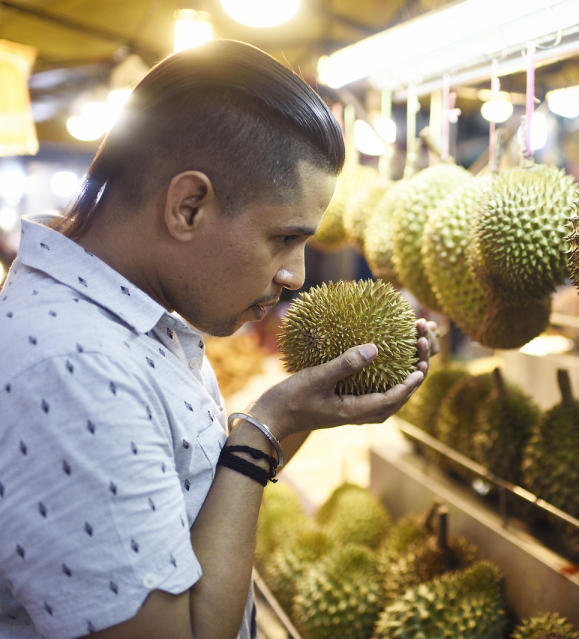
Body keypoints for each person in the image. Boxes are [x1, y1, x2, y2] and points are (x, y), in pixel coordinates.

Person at [0, 40, 435, 639]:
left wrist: (305, 411)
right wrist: (262, 430)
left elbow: (194, 508)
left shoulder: (135, 319)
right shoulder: (76, 368)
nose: (296, 275)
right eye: (283, 238)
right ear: (188, 206)